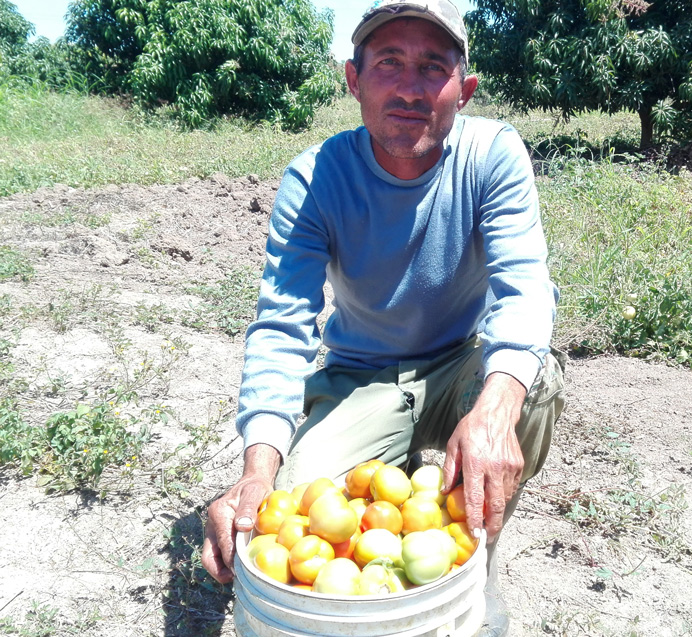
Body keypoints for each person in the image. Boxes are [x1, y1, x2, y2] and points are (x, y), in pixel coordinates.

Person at [201, 0, 566, 633]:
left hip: (458, 367)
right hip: (361, 379)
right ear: (353, 79)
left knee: (533, 384)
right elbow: (283, 328)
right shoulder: (316, 178)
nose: (408, 86)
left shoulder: (492, 155)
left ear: (464, 89)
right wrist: (257, 470)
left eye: (432, 66)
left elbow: (524, 290)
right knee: (288, 523)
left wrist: (495, 411)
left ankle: (473, 554)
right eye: (388, 62)